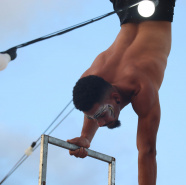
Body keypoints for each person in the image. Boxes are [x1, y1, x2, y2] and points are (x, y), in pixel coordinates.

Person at [67, 0, 176, 184]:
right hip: (127, 8)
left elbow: (147, 151)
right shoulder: (89, 79)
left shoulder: (141, 87)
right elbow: (94, 107)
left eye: (102, 115)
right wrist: (86, 137)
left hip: (155, 8)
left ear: (116, 97)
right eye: (95, 118)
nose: (100, 124)